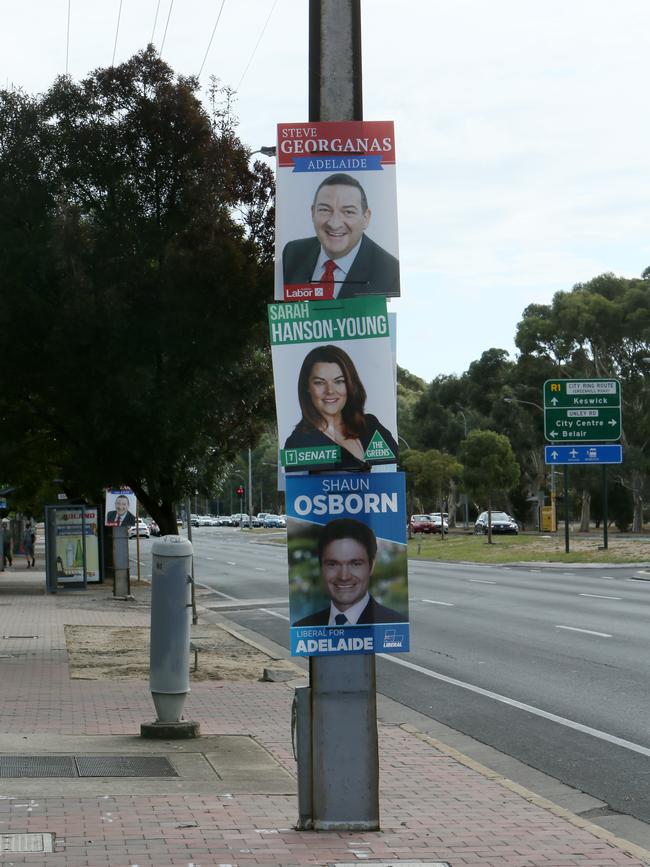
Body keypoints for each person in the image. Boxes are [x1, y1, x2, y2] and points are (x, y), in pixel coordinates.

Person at [282, 173, 400, 298]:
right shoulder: (292, 253)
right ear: (313, 212)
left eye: (348, 212)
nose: (334, 223)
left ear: (366, 218)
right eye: (325, 210)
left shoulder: (390, 272)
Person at [284, 345, 398, 471]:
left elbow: (395, 468)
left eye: (339, 381)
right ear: (307, 388)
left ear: (350, 385)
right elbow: (298, 487)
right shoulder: (297, 443)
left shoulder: (370, 425)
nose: (330, 391)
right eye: (319, 382)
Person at [293, 518, 407, 627]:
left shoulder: (395, 624)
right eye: (332, 564)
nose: (344, 576)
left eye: (355, 564)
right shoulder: (303, 627)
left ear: (372, 566)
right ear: (321, 567)